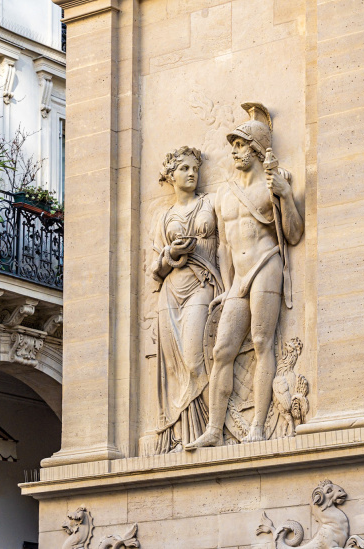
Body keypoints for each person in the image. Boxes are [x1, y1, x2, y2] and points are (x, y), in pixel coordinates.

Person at [186, 103, 304, 449]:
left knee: (263, 341)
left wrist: (284, 195)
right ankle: (213, 429)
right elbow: (223, 246)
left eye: (240, 145)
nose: (234, 151)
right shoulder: (223, 195)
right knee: (222, 350)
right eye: (234, 146)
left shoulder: (271, 187)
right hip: (238, 279)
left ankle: (257, 426)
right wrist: (225, 286)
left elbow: (293, 235)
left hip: (266, 264)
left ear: (256, 150)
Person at [148, 146, 222, 453]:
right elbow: (154, 268)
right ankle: (181, 434)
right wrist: (171, 253)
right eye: (185, 169)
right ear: (171, 175)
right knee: (176, 368)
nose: (192, 174)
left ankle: (212, 427)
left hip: (203, 285)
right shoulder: (162, 217)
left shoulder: (211, 203)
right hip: (171, 292)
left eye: (195, 169)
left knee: (195, 359)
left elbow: (227, 245)